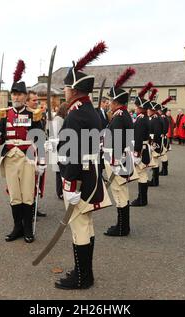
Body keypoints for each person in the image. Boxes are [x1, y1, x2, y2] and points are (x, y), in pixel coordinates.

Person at [54, 42, 110, 290]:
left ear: (74, 89)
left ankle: (82, 277)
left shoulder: (76, 115)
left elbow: (73, 153)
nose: (64, 91)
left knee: (79, 226)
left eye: (66, 87)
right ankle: (83, 272)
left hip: (79, 177)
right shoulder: (91, 111)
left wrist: (69, 182)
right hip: (91, 175)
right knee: (85, 225)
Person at [0, 60, 45, 244]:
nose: (16, 97)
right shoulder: (4, 113)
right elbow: (1, 137)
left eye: (20, 94)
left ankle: (28, 228)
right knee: (15, 195)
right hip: (9, 157)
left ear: (25, 96)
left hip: (28, 157)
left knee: (28, 195)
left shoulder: (33, 114)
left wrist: (42, 163)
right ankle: (17, 227)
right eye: (14, 94)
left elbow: (40, 138)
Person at [103, 67, 136, 236]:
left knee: (119, 193)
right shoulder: (122, 115)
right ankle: (123, 225)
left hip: (118, 161)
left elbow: (115, 142)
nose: (108, 103)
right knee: (121, 193)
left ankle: (122, 228)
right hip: (123, 160)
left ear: (116, 101)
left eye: (110, 100)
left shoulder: (119, 117)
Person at [130, 82, 153, 207]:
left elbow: (138, 138)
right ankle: (142, 198)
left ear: (140, 107)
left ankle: (141, 199)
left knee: (141, 174)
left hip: (141, 149)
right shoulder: (144, 118)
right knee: (142, 174)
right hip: (145, 147)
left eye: (137, 106)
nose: (136, 108)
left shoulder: (140, 119)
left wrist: (136, 153)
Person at [25, 90, 47, 218]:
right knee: (29, 181)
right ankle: (28, 209)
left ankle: (34, 206)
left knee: (37, 180)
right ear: (26, 101)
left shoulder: (37, 114)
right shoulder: (25, 115)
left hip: (38, 150)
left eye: (37, 100)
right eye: (34, 100)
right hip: (29, 152)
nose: (36, 102)